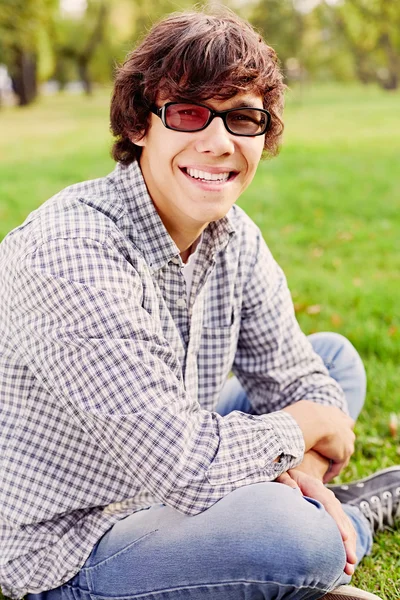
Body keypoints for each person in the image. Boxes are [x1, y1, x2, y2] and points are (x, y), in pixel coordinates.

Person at [0, 9, 398, 600]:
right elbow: (184, 468)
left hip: (173, 456)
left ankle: (315, 502)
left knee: (332, 359)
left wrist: (300, 467)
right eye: (189, 113)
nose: (219, 143)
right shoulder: (69, 251)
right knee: (298, 538)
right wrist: (303, 427)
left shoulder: (233, 235)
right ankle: (346, 523)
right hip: (72, 541)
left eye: (243, 118)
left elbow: (295, 375)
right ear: (141, 124)